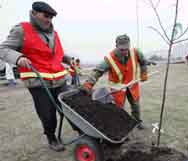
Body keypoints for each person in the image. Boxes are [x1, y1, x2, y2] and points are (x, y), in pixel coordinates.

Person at [0, 1, 80, 152]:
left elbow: (56, 54)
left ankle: (82, 131)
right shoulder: (21, 30)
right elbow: (3, 49)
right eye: (46, 16)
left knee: (71, 107)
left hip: (59, 79)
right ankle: (51, 138)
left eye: (51, 17)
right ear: (34, 13)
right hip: (38, 81)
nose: (48, 20)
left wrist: (68, 59)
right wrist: (18, 58)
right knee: (48, 113)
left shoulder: (53, 33)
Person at [82, 34, 148, 129]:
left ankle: (137, 122)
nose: (125, 51)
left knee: (136, 106)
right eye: (122, 49)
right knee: (119, 110)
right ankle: (121, 126)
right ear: (116, 46)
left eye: (126, 48)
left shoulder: (135, 52)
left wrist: (144, 72)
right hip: (118, 89)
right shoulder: (109, 59)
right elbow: (97, 71)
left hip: (132, 85)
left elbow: (143, 61)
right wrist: (89, 83)